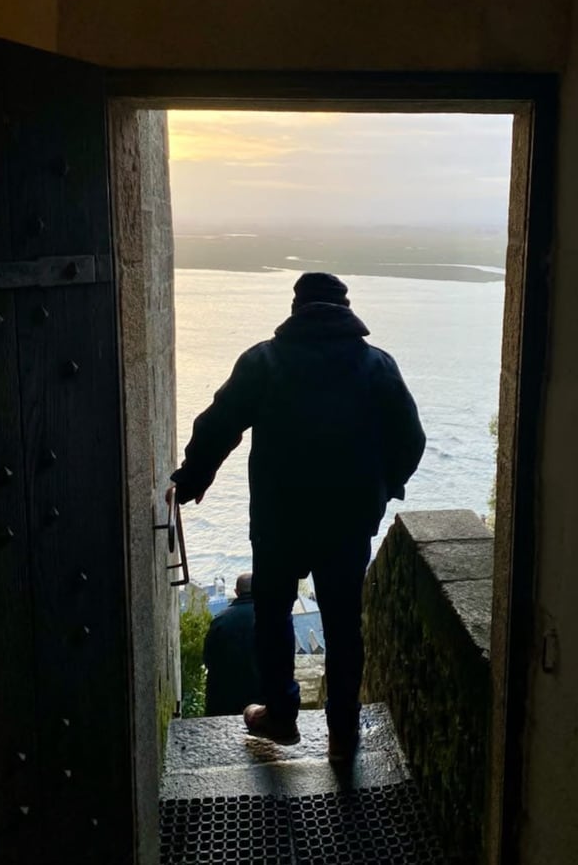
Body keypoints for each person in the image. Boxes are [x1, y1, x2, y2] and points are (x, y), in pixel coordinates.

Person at [169, 271, 425, 761]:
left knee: (273, 614)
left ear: (297, 309)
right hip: (347, 523)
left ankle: (281, 717)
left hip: (278, 519)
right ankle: (343, 736)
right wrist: (381, 490)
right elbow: (410, 440)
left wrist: (192, 480)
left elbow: (219, 424)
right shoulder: (376, 366)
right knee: (344, 624)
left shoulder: (265, 361)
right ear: (346, 311)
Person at [203, 572, 262, 716]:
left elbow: (208, 659)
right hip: (260, 696)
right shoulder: (269, 618)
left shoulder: (220, 620)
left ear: (236, 592)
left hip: (224, 697)